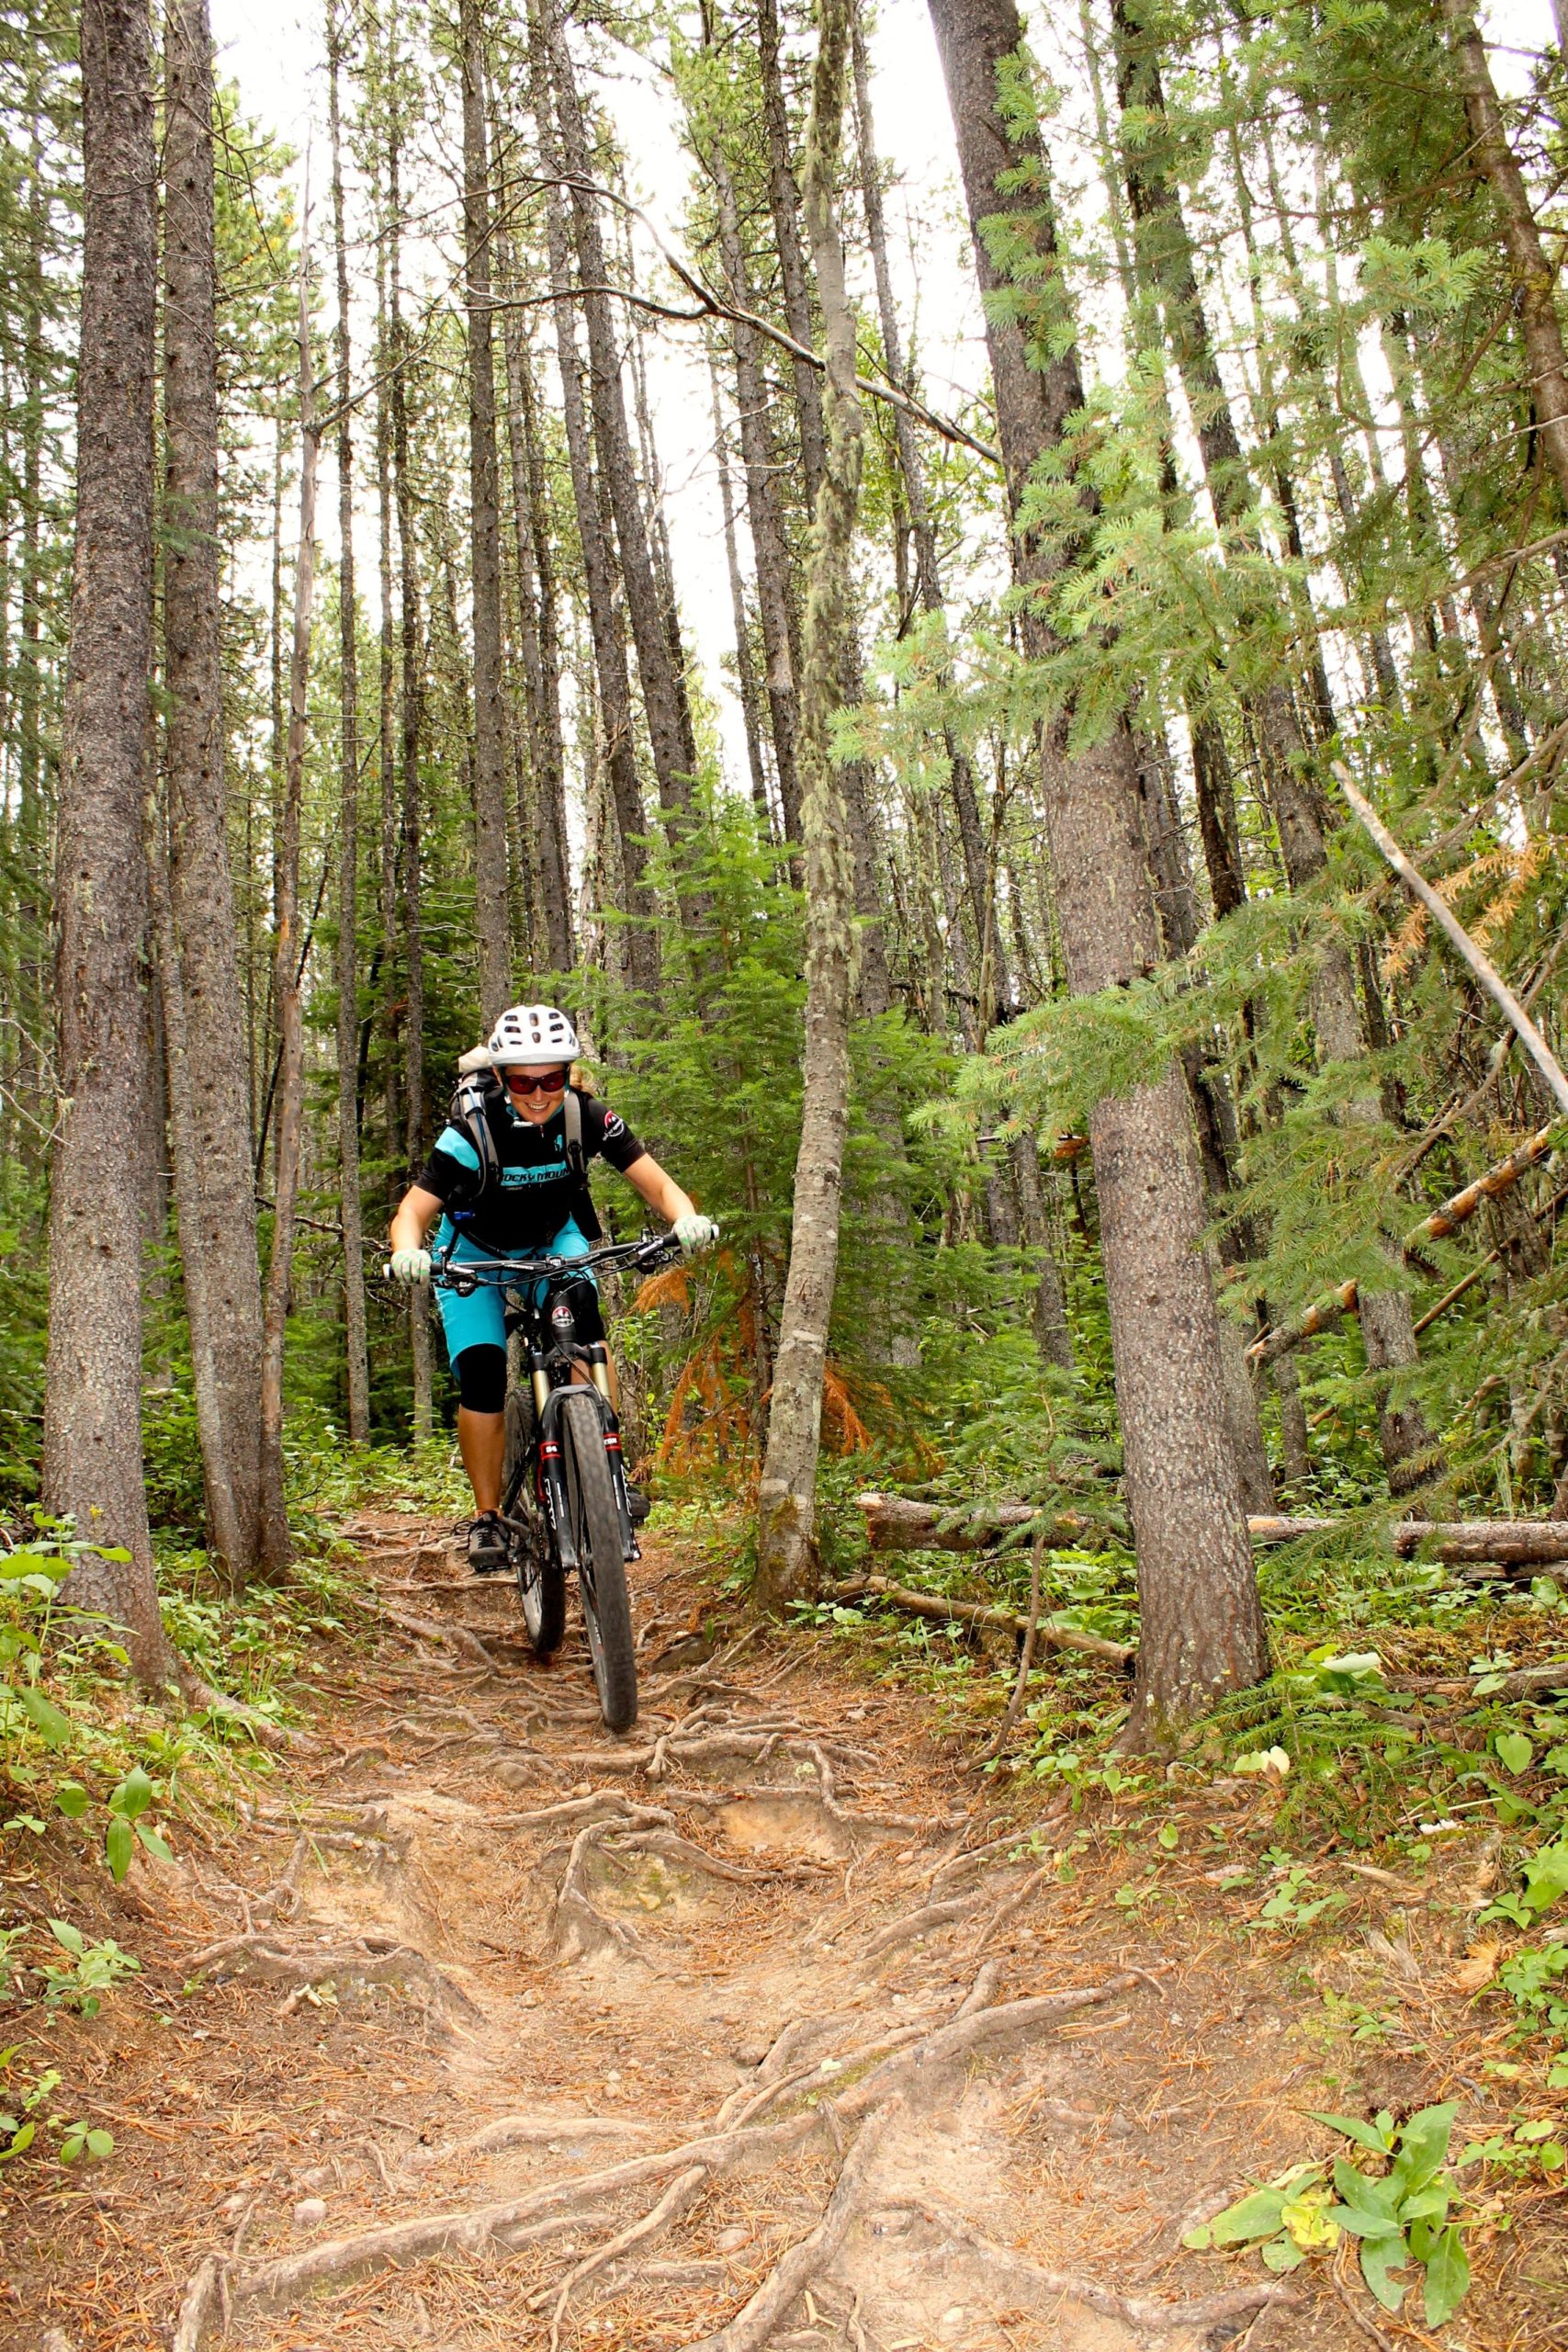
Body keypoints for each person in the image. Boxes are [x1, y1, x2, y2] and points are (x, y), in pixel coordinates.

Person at [389, 1003, 717, 1572]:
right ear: (500, 1078)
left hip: (553, 1243)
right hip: (474, 1258)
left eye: (552, 1078)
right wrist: (407, 1252)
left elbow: (657, 1183)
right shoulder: (470, 1132)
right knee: (485, 1379)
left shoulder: (585, 1117)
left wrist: (684, 1217)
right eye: (522, 1081)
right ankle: (487, 1517)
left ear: (567, 1074)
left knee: (583, 1322)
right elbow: (411, 1213)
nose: (538, 1094)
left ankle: (602, 1468)